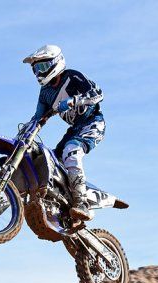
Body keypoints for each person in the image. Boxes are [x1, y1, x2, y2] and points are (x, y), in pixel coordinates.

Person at [22, 44, 105, 221]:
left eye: (42, 67)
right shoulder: (45, 93)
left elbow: (98, 94)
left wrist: (74, 100)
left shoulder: (72, 76)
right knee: (50, 161)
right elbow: (38, 117)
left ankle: (81, 203)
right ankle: (59, 202)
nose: (39, 73)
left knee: (71, 152)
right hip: (74, 129)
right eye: (36, 69)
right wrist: (27, 131)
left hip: (92, 123)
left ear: (56, 62)